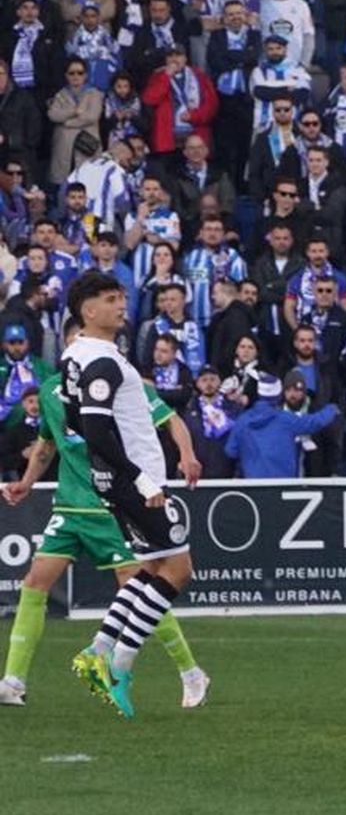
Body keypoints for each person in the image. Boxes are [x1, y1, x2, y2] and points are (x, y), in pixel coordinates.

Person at [0, 318, 208, 709]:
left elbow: (170, 419)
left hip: (110, 503)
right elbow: (47, 444)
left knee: (143, 580)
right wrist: (26, 484)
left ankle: (189, 672)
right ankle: (13, 681)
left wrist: (186, 454)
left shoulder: (117, 382)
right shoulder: (50, 391)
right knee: (35, 581)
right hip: (69, 504)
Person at [56, 273, 196, 719]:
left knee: (152, 566)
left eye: (121, 297)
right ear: (87, 311)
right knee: (177, 569)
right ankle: (119, 664)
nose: (122, 305)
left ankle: (98, 648)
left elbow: (75, 421)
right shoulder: (103, 361)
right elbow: (94, 429)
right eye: (110, 299)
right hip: (136, 480)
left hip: (119, 480)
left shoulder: (75, 356)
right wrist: (138, 477)